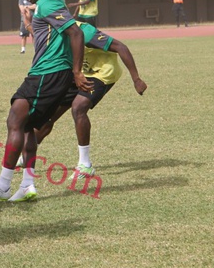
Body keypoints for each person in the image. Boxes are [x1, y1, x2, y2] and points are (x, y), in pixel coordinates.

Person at [0, 0, 91, 201]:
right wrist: (30, 24)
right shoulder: (48, 4)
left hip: (48, 73)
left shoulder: (49, 2)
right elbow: (48, 35)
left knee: (15, 117)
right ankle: (27, 185)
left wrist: (77, 72)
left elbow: (76, 34)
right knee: (27, 126)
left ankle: (3, 183)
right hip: (48, 72)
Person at [16, 22, 148, 191]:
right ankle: (26, 156)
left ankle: (85, 165)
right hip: (77, 74)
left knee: (78, 107)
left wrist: (136, 79)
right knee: (48, 114)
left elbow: (121, 47)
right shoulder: (52, 31)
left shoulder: (84, 32)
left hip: (102, 73)